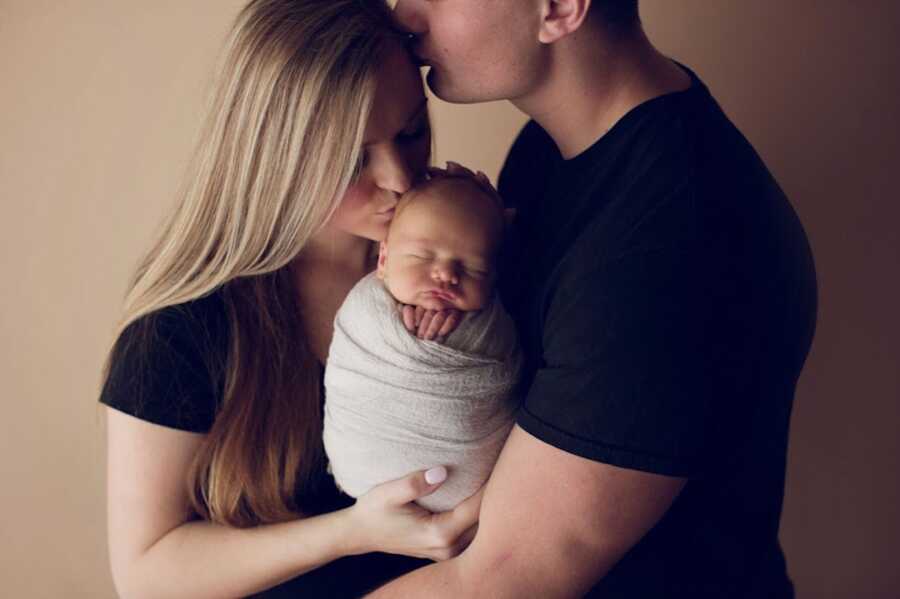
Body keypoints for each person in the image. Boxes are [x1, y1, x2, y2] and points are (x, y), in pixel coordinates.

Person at [370, 0, 818, 597]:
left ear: (558, 8)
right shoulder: (554, 147)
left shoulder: (666, 235)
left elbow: (498, 584)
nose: (404, 13)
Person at [98, 1, 480, 597]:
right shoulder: (181, 330)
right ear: (278, 157)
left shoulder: (466, 265)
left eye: (412, 132)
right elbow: (146, 576)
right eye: (354, 158)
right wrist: (353, 532)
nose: (401, 178)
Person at [323, 172, 521, 513]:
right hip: (357, 499)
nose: (446, 274)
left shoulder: (493, 319)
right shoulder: (366, 311)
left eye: (474, 269)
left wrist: (460, 337)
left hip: (478, 505)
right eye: (422, 257)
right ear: (383, 260)